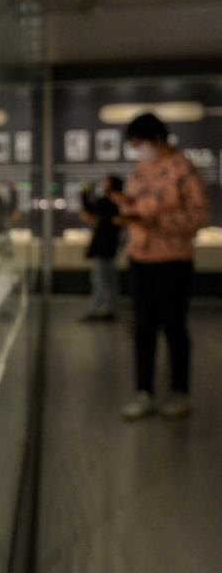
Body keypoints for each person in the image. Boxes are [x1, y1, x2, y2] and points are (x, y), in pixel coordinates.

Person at [115, 113, 209, 419]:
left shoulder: (183, 168)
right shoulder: (142, 170)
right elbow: (133, 203)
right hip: (140, 258)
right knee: (143, 328)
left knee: (173, 326)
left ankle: (180, 391)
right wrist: (125, 210)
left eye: (138, 143)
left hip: (173, 260)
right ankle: (144, 391)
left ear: (154, 139)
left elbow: (198, 215)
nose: (137, 149)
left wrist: (157, 221)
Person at [79, 175, 123, 321]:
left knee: (100, 280)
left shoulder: (109, 202)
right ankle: (110, 309)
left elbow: (90, 208)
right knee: (108, 279)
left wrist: (85, 193)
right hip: (109, 246)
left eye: (106, 182)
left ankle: (95, 310)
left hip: (104, 246)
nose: (104, 184)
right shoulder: (116, 202)